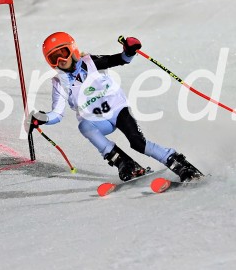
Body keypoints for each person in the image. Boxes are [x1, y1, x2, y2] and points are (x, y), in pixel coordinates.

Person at [27, 31, 202, 182]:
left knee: (137, 143)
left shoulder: (91, 62)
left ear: (72, 50)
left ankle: (179, 164)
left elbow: (121, 59)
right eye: (54, 58)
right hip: (96, 121)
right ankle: (125, 163)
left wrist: (129, 50)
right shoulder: (59, 83)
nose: (61, 60)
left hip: (118, 111)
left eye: (63, 53)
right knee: (84, 126)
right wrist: (41, 118)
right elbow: (57, 114)